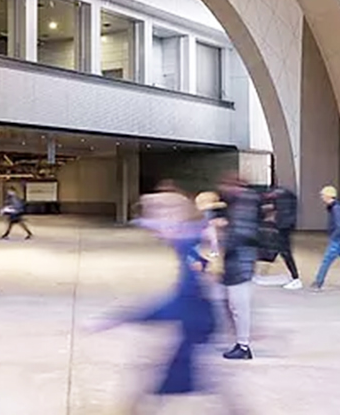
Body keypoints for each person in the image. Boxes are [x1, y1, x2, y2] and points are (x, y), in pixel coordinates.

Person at [94, 191, 221, 413]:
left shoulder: (190, 242)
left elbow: (185, 298)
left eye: (162, 213)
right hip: (194, 321)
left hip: (194, 323)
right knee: (164, 378)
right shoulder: (188, 240)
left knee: (157, 380)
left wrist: (125, 317)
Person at [216, 174, 261, 360]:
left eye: (226, 186)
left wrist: (223, 237)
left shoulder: (243, 206)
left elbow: (240, 234)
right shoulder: (240, 204)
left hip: (241, 261)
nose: (223, 190)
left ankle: (243, 346)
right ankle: (241, 342)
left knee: (239, 305)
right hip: (238, 261)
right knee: (234, 305)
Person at [259, 185, 301, 290]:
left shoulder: (281, 197)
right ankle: (294, 277)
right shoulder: (286, 195)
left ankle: (296, 278)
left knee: (285, 252)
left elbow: (276, 210)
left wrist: (273, 217)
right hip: (286, 226)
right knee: (280, 250)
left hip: (283, 227)